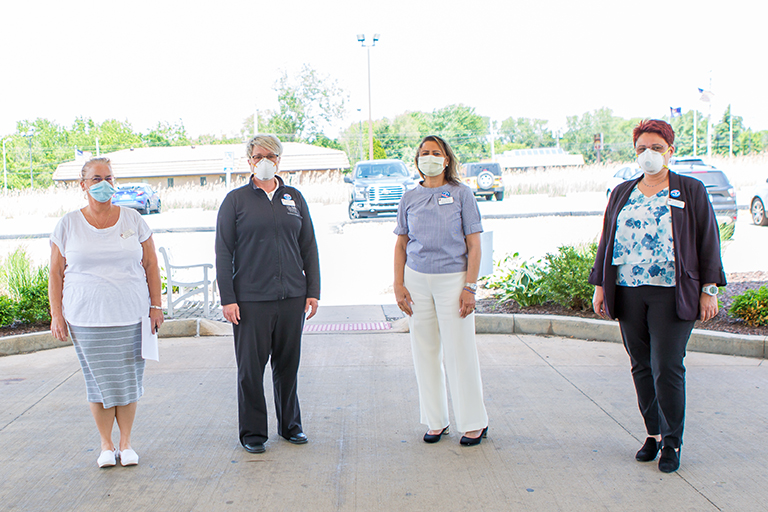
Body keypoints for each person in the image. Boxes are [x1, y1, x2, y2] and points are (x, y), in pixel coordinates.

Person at [589, 119, 725, 473]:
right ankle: (653, 434)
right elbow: (608, 241)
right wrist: (601, 286)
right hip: (629, 290)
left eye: (656, 148)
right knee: (641, 365)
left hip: (673, 292)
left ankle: (672, 441)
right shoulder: (622, 192)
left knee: (667, 366)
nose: (648, 155)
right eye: (641, 149)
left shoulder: (690, 189)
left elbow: (708, 240)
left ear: (670, 151)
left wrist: (709, 290)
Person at [49, 157, 164, 468]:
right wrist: (56, 314)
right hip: (85, 318)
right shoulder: (68, 224)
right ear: (83, 184)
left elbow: (151, 265)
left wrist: (156, 306)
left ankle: (126, 444)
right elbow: (56, 272)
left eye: (109, 178)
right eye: (96, 178)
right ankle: (106, 445)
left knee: (127, 381)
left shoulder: (133, 220)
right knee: (98, 383)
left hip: (131, 314)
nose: (104, 184)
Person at [215, 134, 320, 454]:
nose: (265, 161)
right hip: (250, 300)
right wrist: (228, 298)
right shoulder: (235, 200)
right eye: (259, 155)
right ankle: (253, 433)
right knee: (250, 370)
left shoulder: (294, 197)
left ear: (279, 160)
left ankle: (291, 426)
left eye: (271, 156)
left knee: (288, 367)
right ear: (248, 161)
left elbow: (308, 246)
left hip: (291, 297)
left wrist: (312, 290)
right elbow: (223, 251)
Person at [393, 135, 489, 446]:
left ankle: (474, 422)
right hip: (417, 280)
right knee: (425, 352)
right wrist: (399, 284)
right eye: (424, 153)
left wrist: (470, 287)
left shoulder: (462, 194)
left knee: (459, 352)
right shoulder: (409, 198)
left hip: (454, 280)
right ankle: (436, 420)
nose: (430, 157)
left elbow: (474, 245)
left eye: (436, 153)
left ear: (446, 160)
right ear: (417, 160)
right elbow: (401, 243)